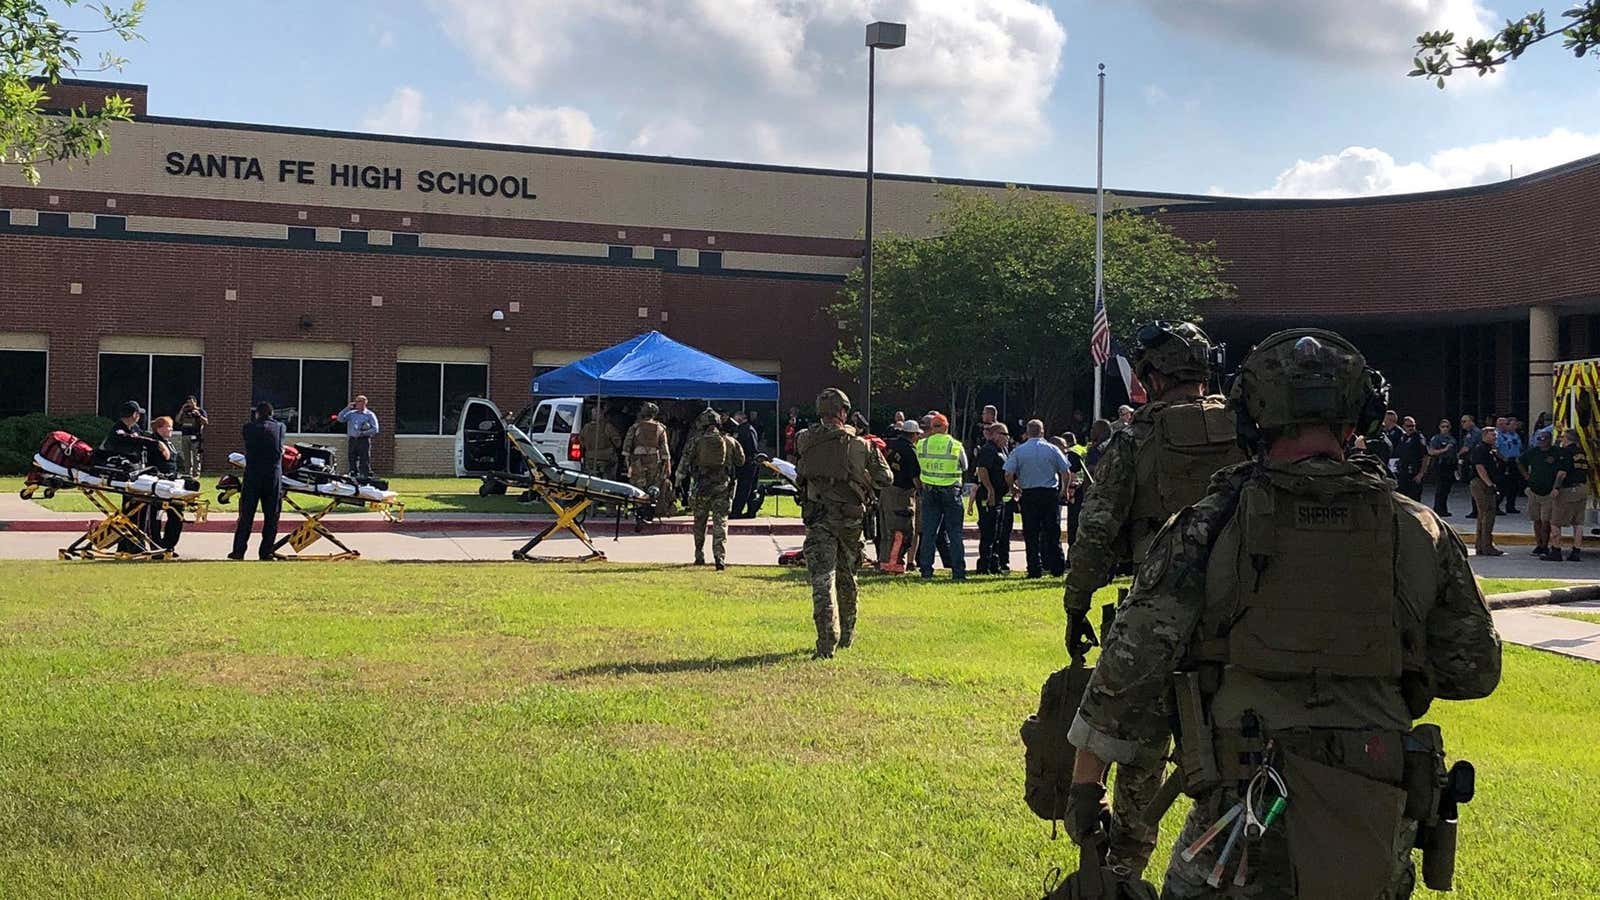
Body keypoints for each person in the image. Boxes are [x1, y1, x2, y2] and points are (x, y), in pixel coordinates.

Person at [1063, 328, 1502, 900]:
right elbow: (1474, 671)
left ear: (1253, 415)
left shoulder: (1207, 526)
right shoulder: (1419, 530)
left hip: (1244, 807)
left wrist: (1084, 788)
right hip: (1372, 809)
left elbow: (1128, 670)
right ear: (1361, 416)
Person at [1060, 320, 1244, 875]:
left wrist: (1076, 603)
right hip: (1242, 613)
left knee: (1139, 749)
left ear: (1151, 376)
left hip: (1158, 608)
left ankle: (1124, 868)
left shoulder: (1136, 438)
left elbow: (1096, 530)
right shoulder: (1246, 430)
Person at [794, 389, 892, 658]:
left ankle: (826, 641)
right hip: (850, 518)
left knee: (822, 578)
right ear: (843, 411)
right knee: (848, 574)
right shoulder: (861, 444)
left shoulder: (804, 439)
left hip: (818, 517)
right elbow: (886, 478)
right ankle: (848, 633)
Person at [1004, 420, 1071, 579]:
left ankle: (1034, 568)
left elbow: (1007, 473)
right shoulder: (1052, 449)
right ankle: (1057, 567)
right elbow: (1066, 472)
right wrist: (1064, 489)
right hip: (1049, 494)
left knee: (1031, 533)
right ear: (1042, 431)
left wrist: (1012, 487)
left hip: (1029, 495)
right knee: (1052, 532)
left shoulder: (1019, 451)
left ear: (1027, 432)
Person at [679, 407, 745, 570]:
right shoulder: (728, 441)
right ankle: (719, 557)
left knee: (699, 522)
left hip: (701, 487)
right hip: (722, 487)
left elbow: (684, 463)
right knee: (720, 522)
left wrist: (678, 479)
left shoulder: (696, 441)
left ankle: (699, 554)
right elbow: (741, 461)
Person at [914, 412, 967, 580]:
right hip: (951, 491)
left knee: (929, 533)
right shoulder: (955, 445)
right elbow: (965, 466)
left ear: (931, 427)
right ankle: (958, 572)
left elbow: (918, 464)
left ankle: (926, 571)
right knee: (954, 533)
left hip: (929, 491)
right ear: (946, 427)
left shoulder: (921, 444)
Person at [230, 402, 286, 561]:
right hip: (272, 476)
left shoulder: (248, 428)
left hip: (253, 475)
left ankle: (238, 551)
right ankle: (266, 551)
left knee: (246, 515)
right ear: (272, 413)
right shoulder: (280, 427)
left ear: (257, 414)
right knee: (271, 516)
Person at [877, 419, 922, 573]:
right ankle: (894, 564)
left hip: (885, 490)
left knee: (885, 530)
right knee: (900, 530)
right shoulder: (910, 451)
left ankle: (884, 562)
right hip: (902, 494)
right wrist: (922, 492)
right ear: (914, 435)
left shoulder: (889, 444)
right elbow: (916, 477)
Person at [973, 422, 1013, 575]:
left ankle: (994, 564)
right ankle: (983, 566)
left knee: (998, 532)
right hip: (988, 496)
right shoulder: (988, 449)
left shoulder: (1002, 450)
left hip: (1000, 497)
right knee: (988, 532)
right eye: (1005, 435)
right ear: (995, 435)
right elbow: (982, 471)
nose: (1007, 438)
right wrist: (990, 489)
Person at [623, 401, 672, 517]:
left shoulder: (635, 427)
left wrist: (628, 464)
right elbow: (665, 450)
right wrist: (666, 465)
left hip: (637, 460)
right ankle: (650, 510)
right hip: (654, 460)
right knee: (652, 486)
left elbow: (626, 448)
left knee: (638, 486)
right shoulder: (660, 428)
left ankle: (639, 510)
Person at [1520, 428, 1562, 559]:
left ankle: (1545, 545)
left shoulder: (1556, 453)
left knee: (1546, 521)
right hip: (1534, 491)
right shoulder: (1533, 452)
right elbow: (1520, 461)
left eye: (1544, 439)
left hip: (1548, 493)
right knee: (1536, 520)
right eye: (1539, 439)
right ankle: (1538, 544)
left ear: (1550, 440)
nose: (1541, 441)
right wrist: (1526, 476)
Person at [147, 416, 186, 551]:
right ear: (159, 428)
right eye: (168, 426)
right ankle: (156, 547)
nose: (171, 429)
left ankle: (169, 546)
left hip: (172, 484)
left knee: (177, 514)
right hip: (158, 485)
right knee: (155, 516)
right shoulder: (153, 443)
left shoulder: (169, 443)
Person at [1552, 428, 1589, 561]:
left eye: (1562, 437)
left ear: (1567, 439)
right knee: (1578, 523)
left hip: (1568, 490)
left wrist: (1556, 487)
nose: (1561, 439)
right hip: (1582, 488)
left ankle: (1556, 551)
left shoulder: (1566, 453)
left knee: (1556, 522)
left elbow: (1562, 473)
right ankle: (1576, 551)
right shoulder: (1581, 453)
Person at [1470, 425, 1503, 556]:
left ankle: (1481, 545)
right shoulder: (1480, 449)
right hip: (1481, 484)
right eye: (1492, 435)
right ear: (1485, 436)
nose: (1495, 437)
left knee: (1483, 515)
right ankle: (1487, 546)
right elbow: (1480, 468)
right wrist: (1489, 484)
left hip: (1486, 483)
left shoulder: (1490, 449)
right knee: (1487, 514)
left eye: (1495, 435)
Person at [727, 411, 762, 519]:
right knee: (750, 489)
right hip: (752, 463)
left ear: (740, 418)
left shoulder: (744, 430)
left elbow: (746, 448)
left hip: (747, 463)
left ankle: (736, 511)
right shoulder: (749, 429)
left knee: (743, 488)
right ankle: (751, 511)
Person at [337, 395, 380, 478]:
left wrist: (362, 433)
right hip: (353, 439)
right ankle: (353, 474)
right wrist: (347, 408)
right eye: (356, 401)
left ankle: (364, 476)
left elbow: (375, 429)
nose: (357, 403)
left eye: (359, 401)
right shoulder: (351, 414)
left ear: (364, 403)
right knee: (352, 457)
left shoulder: (369, 415)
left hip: (363, 439)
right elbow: (340, 419)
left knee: (364, 458)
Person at [579, 404, 622, 479]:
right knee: (608, 481)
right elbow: (617, 442)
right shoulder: (607, 426)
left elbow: (581, 441)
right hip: (606, 459)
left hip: (590, 458)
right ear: (601, 414)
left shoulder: (586, 427)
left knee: (592, 479)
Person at [1426, 417, 1457, 516]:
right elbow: (1431, 451)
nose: (1445, 428)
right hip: (1441, 464)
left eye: (1447, 427)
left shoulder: (1452, 438)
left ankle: (1444, 509)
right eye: (1443, 426)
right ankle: (1438, 509)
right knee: (1440, 489)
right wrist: (1444, 450)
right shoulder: (1436, 438)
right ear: (1439, 427)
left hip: (1450, 465)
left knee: (1446, 489)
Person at [1394, 415, 1427, 501]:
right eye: (1408, 426)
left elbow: (1426, 456)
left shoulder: (1418, 438)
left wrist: (1421, 474)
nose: (1411, 428)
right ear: (1403, 426)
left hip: (1414, 473)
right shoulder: (1403, 437)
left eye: (1413, 426)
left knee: (1414, 500)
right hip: (1403, 473)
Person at [174, 394, 208, 477]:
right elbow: (177, 420)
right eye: (188, 403)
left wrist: (198, 415)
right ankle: (187, 472)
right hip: (185, 435)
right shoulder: (184, 411)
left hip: (195, 436)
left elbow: (206, 422)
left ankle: (196, 473)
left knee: (196, 455)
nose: (190, 404)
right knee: (186, 455)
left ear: (195, 402)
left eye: (191, 402)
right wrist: (182, 410)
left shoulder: (200, 411)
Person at [1496, 416, 1523, 514]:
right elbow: (1496, 449)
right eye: (1501, 424)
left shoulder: (1514, 435)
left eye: (1506, 424)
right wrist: (1503, 458)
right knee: (1502, 485)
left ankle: (1511, 506)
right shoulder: (1497, 435)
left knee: (1514, 485)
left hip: (1514, 461)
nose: (1504, 426)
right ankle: (1496, 506)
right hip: (1503, 462)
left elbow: (1519, 447)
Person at [1458, 414, 1482, 518]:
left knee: (1475, 486)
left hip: (1474, 462)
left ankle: (1476, 511)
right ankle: (1476, 510)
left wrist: (1458, 454)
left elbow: (1467, 448)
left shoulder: (1474, 433)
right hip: (1473, 461)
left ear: (1471, 421)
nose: (1462, 424)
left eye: (1464, 421)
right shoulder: (1471, 433)